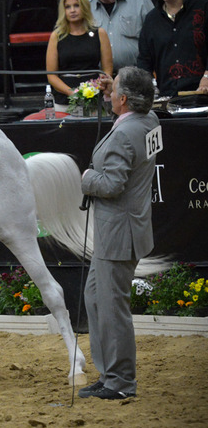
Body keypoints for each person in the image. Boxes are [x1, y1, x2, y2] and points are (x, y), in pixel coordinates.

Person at [79, 66, 161, 400]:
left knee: (112, 307)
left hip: (118, 233)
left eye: (115, 94)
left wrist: (86, 178)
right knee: (96, 297)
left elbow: (111, 184)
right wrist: (115, 88)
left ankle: (121, 382)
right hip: (128, 227)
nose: (110, 96)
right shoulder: (149, 120)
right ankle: (110, 373)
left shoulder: (126, 134)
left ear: (124, 100)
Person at [137, 0, 208, 97]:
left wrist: (206, 78)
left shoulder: (203, 7)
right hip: (167, 96)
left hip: (202, 93)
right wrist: (149, 86)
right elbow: (144, 59)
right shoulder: (151, 19)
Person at [46, 0, 113, 110]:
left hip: (95, 97)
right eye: (68, 7)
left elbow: (107, 71)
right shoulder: (56, 36)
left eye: (76, 6)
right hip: (64, 99)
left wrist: (93, 89)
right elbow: (51, 75)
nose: (72, 10)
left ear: (84, 7)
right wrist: (72, 93)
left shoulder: (100, 33)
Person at [88, 0, 154, 73]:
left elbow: (156, 38)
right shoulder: (87, 8)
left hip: (136, 75)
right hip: (100, 78)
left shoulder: (139, 0)